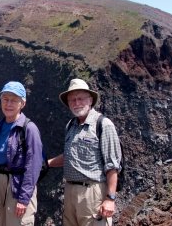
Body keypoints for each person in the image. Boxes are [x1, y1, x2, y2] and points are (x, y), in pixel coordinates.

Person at [48, 78, 122, 226]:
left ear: (90, 100)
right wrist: (47, 163)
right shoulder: (71, 125)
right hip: (70, 192)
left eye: (80, 98)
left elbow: (112, 165)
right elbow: (70, 156)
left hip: (92, 194)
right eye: (72, 100)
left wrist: (110, 199)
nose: (76, 103)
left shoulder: (103, 125)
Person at [0, 81, 43, 226]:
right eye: (5, 99)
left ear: (22, 104)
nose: (8, 104)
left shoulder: (29, 128)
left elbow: (33, 166)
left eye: (14, 100)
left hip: (19, 186)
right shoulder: (0, 125)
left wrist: (23, 199)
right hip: (2, 185)